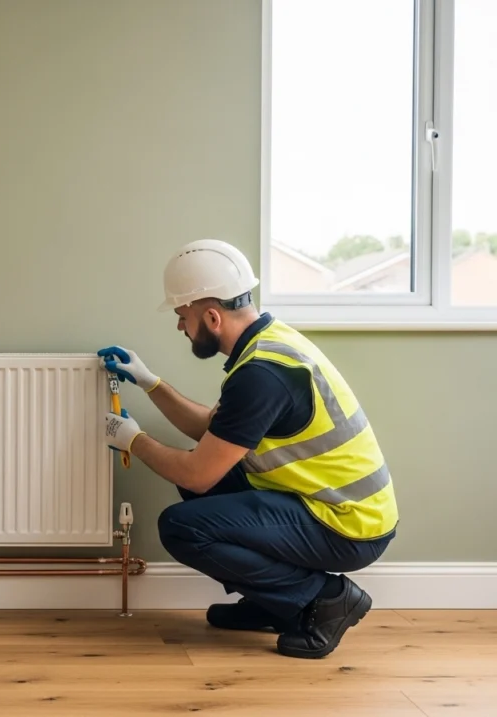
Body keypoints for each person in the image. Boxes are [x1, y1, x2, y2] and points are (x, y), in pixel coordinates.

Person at [99, 238, 398, 659]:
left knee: (182, 526)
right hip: (329, 504)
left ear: (212, 316)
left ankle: (326, 599)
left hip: (347, 525)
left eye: (183, 317)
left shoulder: (262, 374)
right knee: (208, 487)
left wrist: (133, 439)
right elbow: (213, 431)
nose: (180, 327)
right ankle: (274, 602)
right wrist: (150, 383)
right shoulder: (268, 344)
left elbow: (197, 474)